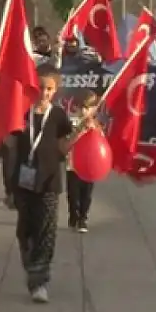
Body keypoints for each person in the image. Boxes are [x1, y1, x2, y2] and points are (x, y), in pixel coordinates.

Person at [1, 63, 74, 303]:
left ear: (56, 90)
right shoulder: (22, 112)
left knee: (46, 232)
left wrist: (80, 134)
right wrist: (9, 187)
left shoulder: (59, 116)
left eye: (49, 89)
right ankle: (32, 267)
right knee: (26, 231)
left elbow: (64, 148)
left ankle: (40, 282)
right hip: (23, 183)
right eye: (41, 87)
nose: (44, 93)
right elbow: (10, 149)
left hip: (49, 183)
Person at [66, 91, 100, 232]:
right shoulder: (73, 121)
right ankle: (73, 214)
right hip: (73, 165)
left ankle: (83, 218)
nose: (85, 111)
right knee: (73, 194)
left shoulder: (96, 124)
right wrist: (80, 130)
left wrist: (94, 130)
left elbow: (101, 143)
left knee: (86, 194)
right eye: (83, 107)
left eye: (88, 107)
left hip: (89, 166)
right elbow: (68, 141)